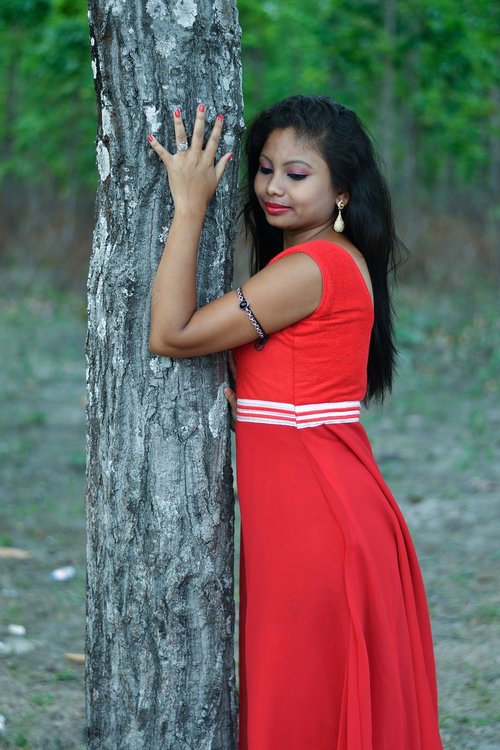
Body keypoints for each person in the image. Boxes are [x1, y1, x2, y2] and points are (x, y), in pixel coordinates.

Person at [147, 95, 443, 750]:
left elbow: (171, 334)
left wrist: (190, 205)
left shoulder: (311, 267)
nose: (273, 186)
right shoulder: (322, 262)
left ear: (341, 189)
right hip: (315, 510)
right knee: (302, 701)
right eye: (265, 168)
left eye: (297, 174)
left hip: (317, 524)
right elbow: (297, 382)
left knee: (301, 706)